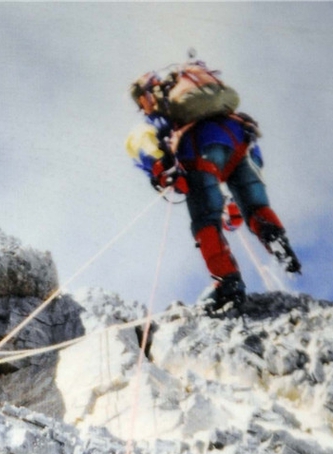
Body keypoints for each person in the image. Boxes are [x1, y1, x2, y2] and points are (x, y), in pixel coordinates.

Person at [128, 62, 301, 313]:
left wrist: (158, 167)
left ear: (148, 93)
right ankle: (276, 240)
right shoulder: (207, 99)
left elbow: (140, 139)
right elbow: (255, 162)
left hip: (200, 150)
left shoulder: (163, 110)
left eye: (141, 100)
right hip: (240, 141)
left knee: (205, 220)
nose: (143, 106)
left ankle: (228, 284)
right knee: (254, 205)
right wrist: (235, 203)